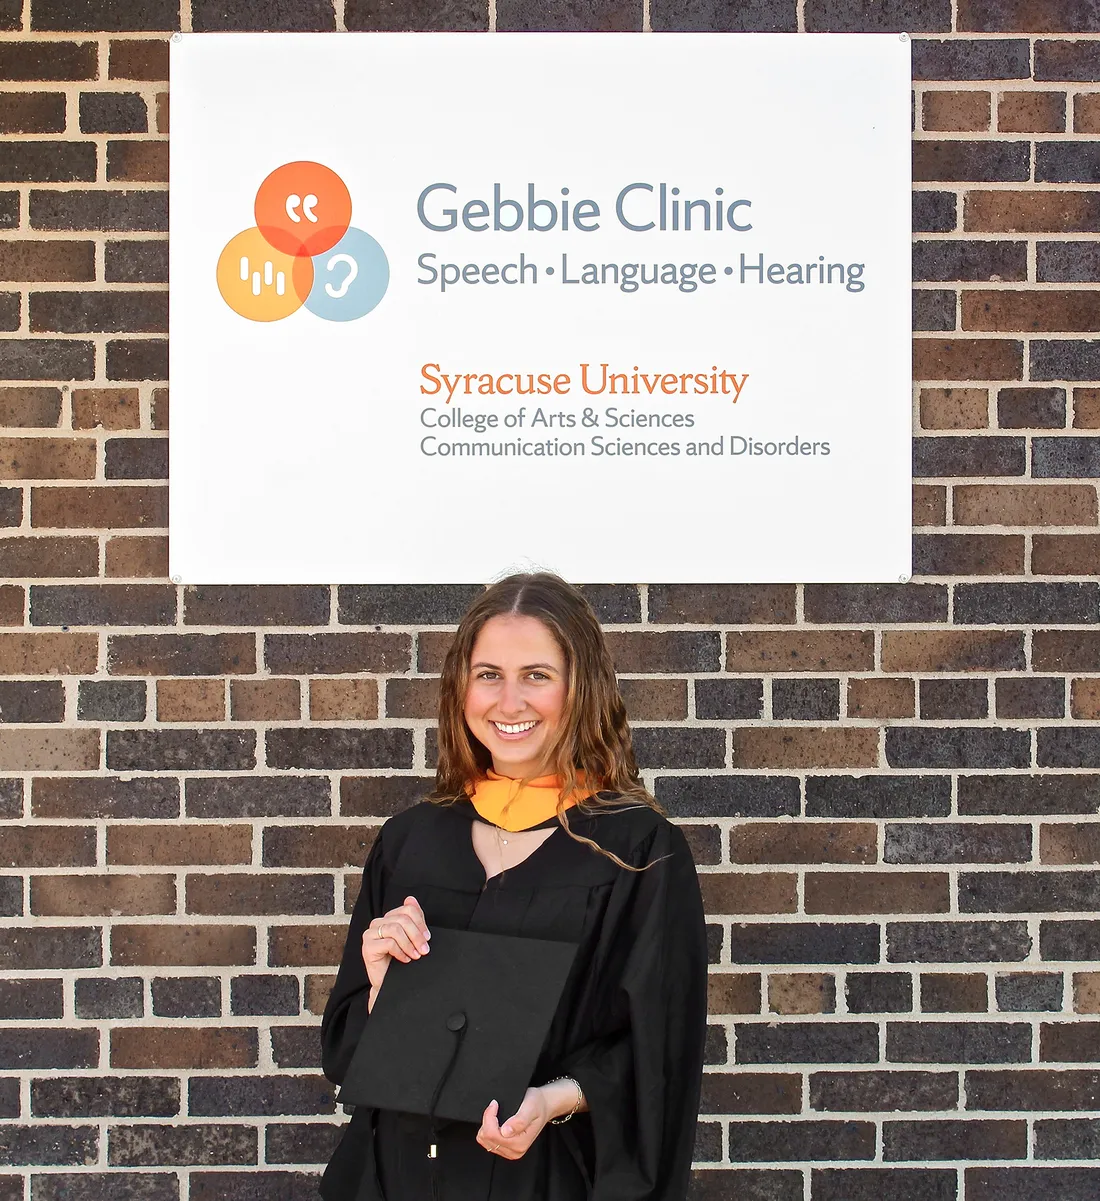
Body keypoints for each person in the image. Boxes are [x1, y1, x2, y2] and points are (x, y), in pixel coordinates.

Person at [320, 572, 708, 1201]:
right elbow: (346, 1056)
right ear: (461, 688)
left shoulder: (635, 852)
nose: (509, 703)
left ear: (581, 689)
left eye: (536, 675)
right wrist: (381, 991)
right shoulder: (411, 842)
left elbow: (659, 1046)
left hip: (546, 1177)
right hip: (401, 1176)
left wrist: (555, 1098)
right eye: (488, 674)